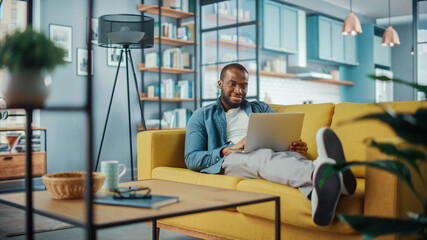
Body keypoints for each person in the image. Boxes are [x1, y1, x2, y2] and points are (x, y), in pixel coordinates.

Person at [184, 63, 356, 226]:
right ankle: (325, 174)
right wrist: (228, 150)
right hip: (230, 159)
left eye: (244, 86)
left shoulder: (260, 107)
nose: (239, 90)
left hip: (270, 153)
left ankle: (326, 192)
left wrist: (295, 146)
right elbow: (191, 158)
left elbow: (280, 136)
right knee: (261, 156)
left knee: (290, 156)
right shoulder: (201, 116)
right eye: (232, 84)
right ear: (220, 84)